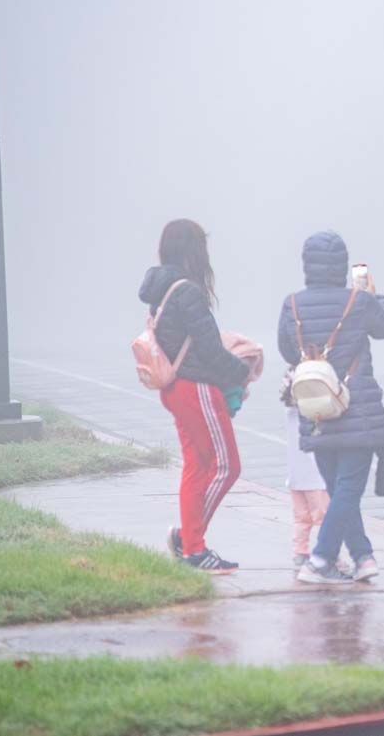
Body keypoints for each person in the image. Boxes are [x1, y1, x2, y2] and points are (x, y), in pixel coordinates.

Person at [278, 231, 384, 585]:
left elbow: (288, 352)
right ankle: (320, 558)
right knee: (347, 489)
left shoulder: (293, 304)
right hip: (357, 408)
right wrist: (375, 296)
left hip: (316, 409)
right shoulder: (359, 301)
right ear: (343, 265)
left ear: (306, 266)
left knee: (340, 490)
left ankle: (363, 557)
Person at [138, 218, 250, 573]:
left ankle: (189, 544)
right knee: (227, 466)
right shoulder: (187, 291)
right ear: (193, 251)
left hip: (175, 389)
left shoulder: (161, 291)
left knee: (197, 466)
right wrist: (242, 371)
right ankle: (192, 545)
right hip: (196, 388)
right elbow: (211, 350)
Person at [280, 372, 331, 570]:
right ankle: (324, 554)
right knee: (323, 517)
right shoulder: (313, 411)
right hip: (316, 476)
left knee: (301, 518)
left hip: (295, 476)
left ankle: (300, 553)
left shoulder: (290, 409)